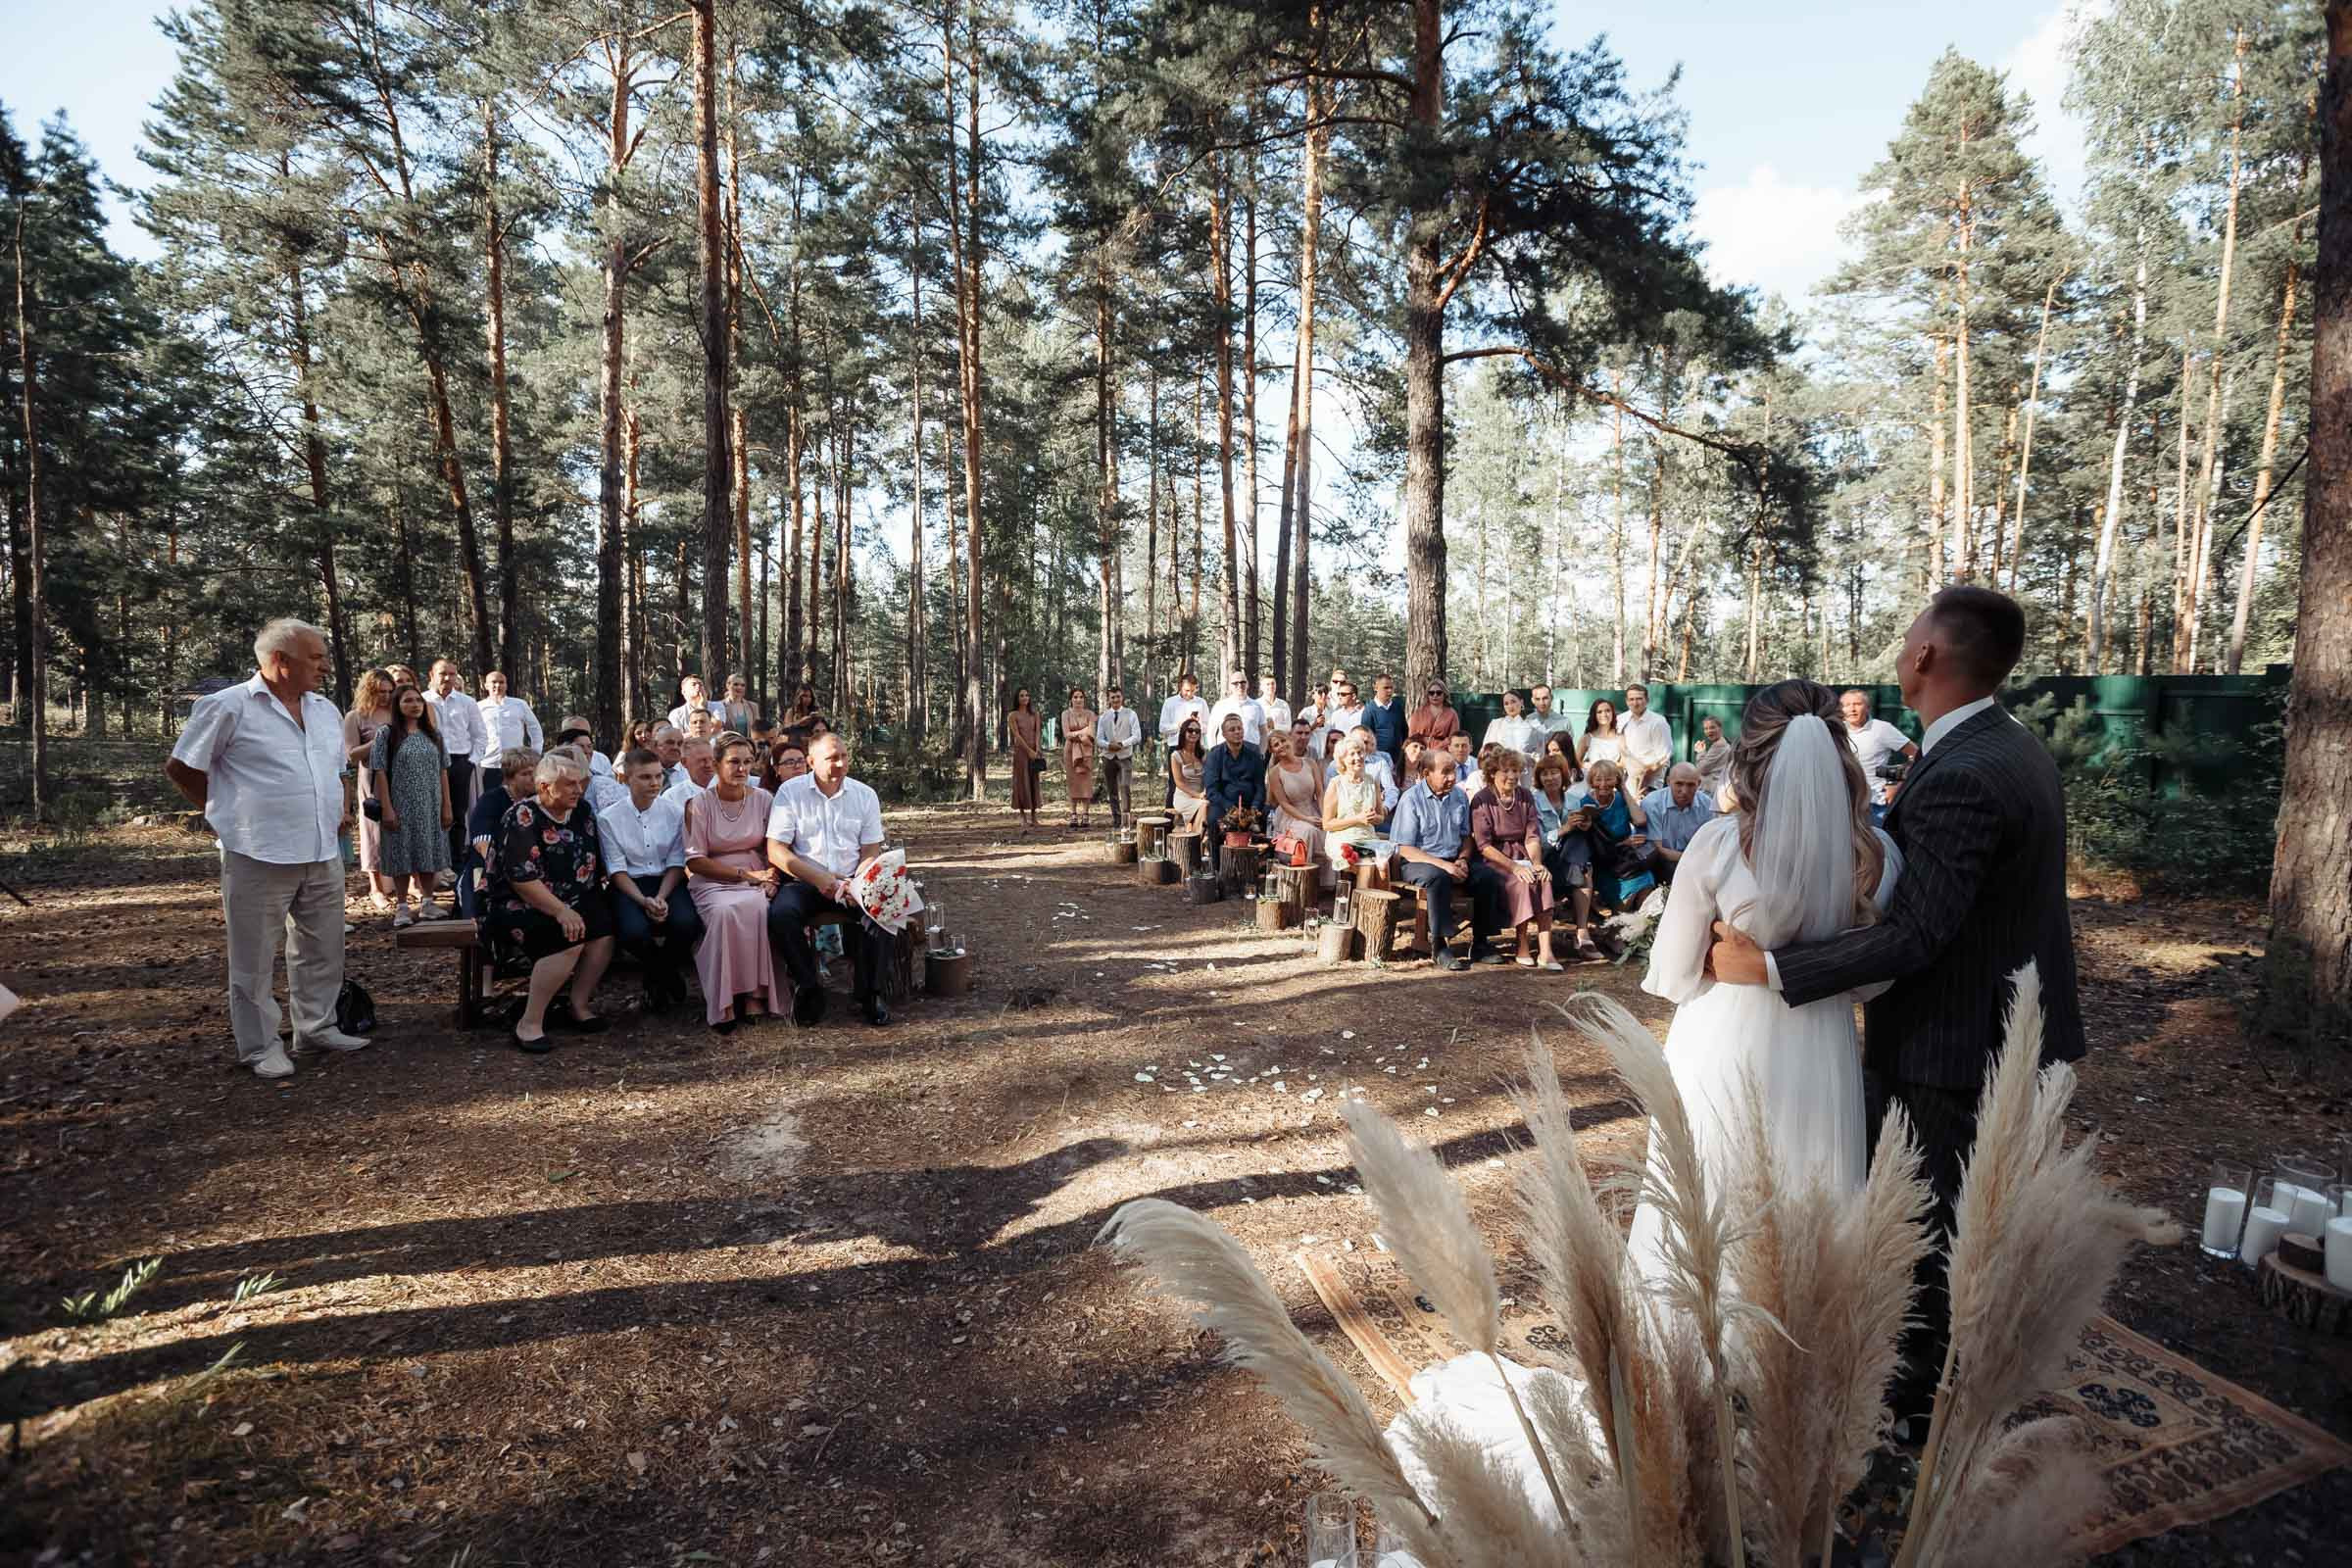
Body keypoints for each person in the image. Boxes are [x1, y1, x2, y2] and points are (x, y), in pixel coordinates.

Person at [1711, 590, 2082, 1437]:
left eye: (1912, 629)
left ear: (1927, 657)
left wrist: (1768, 965)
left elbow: (1918, 936)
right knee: (1951, 1216)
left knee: (1931, 1221)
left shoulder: (1968, 773)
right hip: (1997, 1017)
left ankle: (1909, 1404)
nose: (1901, 639)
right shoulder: (2006, 746)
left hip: (1955, 1039)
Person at [1631, 679, 1903, 1288]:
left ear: (1750, 755)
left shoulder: (1718, 844)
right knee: (1807, 1195)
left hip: (1720, 1042)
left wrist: (1727, 953)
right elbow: (1871, 981)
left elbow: (1673, 975)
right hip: (1822, 1050)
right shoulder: (1877, 853)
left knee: (1706, 1201)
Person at [166, 617, 370, 1078]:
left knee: (322, 946)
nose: (323, 667)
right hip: (257, 851)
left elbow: (336, 768)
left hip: (322, 848)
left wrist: (337, 809)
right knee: (254, 956)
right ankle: (260, 1046)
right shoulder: (227, 706)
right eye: (315, 658)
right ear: (280, 661)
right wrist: (223, 816)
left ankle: (316, 1026)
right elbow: (182, 767)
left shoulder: (324, 709)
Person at [480, 750, 615, 1051]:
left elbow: (592, 863)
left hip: (573, 897)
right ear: (544, 787)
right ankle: (529, 1022)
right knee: (568, 936)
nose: (578, 790)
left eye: (581, 782)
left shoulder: (582, 811)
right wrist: (562, 911)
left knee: (603, 930)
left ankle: (577, 1006)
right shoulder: (522, 816)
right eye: (569, 784)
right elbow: (522, 879)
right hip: (520, 902)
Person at [765, 733, 893, 1028]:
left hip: (852, 879)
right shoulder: (790, 792)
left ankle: (870, 994)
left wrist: (857, 882)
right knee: (781, 915)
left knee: (881, 911)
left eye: (844, 756)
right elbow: (776, 850)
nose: (840, 764)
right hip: (805, 881)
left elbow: (870, 849)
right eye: (831, 758)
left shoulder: (864, 794)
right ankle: (809, 986)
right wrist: (821, 879)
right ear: (810, 762)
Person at [681, 733, 785, 1032]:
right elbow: (695, 860)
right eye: (734, 762)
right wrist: (744, 877)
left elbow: (775, 847)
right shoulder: (698, 804)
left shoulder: (764, 799)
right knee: (725, 913)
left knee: (758, 908)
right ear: (715, 765)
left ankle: (754, 995)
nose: (742, 769)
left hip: (757, 874)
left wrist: (772, 878)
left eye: (748, 762)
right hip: (712, 878)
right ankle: (724, 1001)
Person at [600, 746, 704, 1014]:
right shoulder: (608, 818)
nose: (655, 783)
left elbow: (676, 862)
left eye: (658, 776)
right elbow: (616, 869)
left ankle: (657, 976)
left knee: (686, 923)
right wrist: (643, 901)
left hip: (666, 881)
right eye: (645, 777)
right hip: (629, 886)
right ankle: (664, 973)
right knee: (632, 932)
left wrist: (660, 897)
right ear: (626, 778)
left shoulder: (674, 812)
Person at [1389, 747, 1489, 971]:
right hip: (1418, 862)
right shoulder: (1411, 799)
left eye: (1453, 771)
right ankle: (1440, 946)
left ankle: (1482, 943)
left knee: (1487, 876)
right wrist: (1445, 865)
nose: (1452, 777)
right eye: (1445, 772)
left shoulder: (1460, 796)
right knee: (1438, 878)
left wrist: (1463, 859)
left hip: (1453, 859)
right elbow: (1404, 848)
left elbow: (1466, 836)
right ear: (1426, 774)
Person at [370, 680, 456, 927]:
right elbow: (380, 771)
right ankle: (402, 907)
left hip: (431, 804)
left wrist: (447, 805)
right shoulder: (386, 734)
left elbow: (443, 770)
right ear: (397, 705)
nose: (415, 705)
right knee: (401, 853)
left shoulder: (433, 734)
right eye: (408, 700)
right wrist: (387, 807)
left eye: (418, 700)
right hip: (401, 804)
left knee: (428, 849)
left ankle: (428, 903)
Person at [1470, 746, 1561, 969]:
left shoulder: (1525, 796)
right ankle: (1522, 945)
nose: (1512, 776)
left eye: (1516, 771)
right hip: (1495, 860)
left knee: (1543, 878)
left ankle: (1546, 951)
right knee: (1523, 882)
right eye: (1506, 771)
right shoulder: (1481, 799)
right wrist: (1515, 867)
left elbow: (1532, 836)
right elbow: (1484, 846)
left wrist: (1537, 864)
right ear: (1493, 773)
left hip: (1523, 854)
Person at [1532, 755, 1604, 962]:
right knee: (1583, 865)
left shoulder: (1574, 800)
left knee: (1581, 844)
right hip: (1544, 860)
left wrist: (1584, 824)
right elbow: (1535, 841)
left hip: (1570, 860)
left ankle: (1582, 931)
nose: (1550, 778)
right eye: (1544, 774)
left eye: (1554, 773)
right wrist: (1564, 829)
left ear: (1563, 775)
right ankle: (1582, 934)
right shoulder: (1533, 801)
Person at [344, 668, 397, 912]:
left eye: (390, 691)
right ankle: (376, 887)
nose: (386, 696)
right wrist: (378, 741)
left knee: (402, 828)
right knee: (373, 831)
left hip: (401, 777)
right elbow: (351, 755)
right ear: (369, 690)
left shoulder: (398, 713)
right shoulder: (356, 717)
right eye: (380, 691)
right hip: (372, 779)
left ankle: (408, 882)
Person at [425, 659, 487, 871]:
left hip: (460, 762)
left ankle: (456, 862)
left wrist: (472, 762)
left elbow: (480, 735)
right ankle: (434, 863)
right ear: (431, 675)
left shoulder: (466, 702)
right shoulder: (422, 701)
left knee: (457, 813)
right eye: (443, 673)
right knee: (432, 812)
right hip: (429, 764)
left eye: (452, 674)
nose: (448, 678)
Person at [464, 748, 537, 919]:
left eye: (535, 773)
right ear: (510, 777)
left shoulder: (538, 800)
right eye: (525, 774)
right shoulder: (492, 800)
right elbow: (482, 843)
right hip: (488, 869)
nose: (532, 778)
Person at [1200, 712, 1267, 867]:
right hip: (1224, 805)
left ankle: (1261, 866)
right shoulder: (1215, 754)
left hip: (1250, 805)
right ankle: (1216, 867)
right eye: (1232, 730)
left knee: (1271, 818)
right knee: (1213, 821)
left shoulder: (1254, 752)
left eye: (1240, 728)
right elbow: (1211, 790)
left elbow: (1260, 786)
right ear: (1223, 734)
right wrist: (1231, 810)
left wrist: (1255, 808)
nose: (1237, 732)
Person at [1840, 688, 1920, 814]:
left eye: (1857, 704)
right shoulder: (1837, 731)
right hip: (1844, 803)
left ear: (1867, 708)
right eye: (1847, 705)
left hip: (1875, 805)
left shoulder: (1882, 729)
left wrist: (1898, 785)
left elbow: (1917, 755)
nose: (1852, 709)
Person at [1263, 728, 1326, 875]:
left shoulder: (1310, 763)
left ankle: (1325, 884)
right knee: (1309, 831)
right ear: (1273, 751)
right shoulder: (1275, 772)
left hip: (1313, 809)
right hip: (1290, 816)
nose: (1281, 745)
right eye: (1276, 745)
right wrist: (1306, 819)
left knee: (1328, 831)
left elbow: (1320, 793)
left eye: (1283, 740)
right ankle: (1303, 875)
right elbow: (1283, 803)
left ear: (1290, 740)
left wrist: (1324, 817)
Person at [1639, 762, 1716, 884]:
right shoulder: (1652, 804)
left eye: (1691, 785)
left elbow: (1710, 845)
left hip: (1695, 860)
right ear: (1668, 782)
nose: (1684, 791)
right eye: (1679, 784)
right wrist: (1696, 861)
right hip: (1661, 862)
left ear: (1699, 784)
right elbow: (1660, 850)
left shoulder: (1707, 805)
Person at [1319, 735, 1386, 870]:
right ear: (1342, 759)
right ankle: (1360, 891)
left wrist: (1374, 818)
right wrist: (1358, 819)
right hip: (1343, 839)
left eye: (1360, 752)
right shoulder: (1336, 784)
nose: (1358, 757)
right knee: (1367, 866)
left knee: (1384, 865)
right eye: (1352, 754)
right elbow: (1327, 824)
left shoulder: (1372, 781)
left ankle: (1371, 892)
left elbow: (1381, 818)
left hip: (1367, 837)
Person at [476, 671, 544, 786]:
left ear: (506, 685)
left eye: (501, 682)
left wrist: (536, 753)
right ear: (486, 685)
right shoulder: (478, 707)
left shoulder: (519, 704)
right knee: (492, 798)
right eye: (494, 682)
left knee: (517, 797)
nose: (497, 686)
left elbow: (535, 728)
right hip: (489, 764)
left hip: (515, 763)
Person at [1325, 722, 1399, 818]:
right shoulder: (1335, 765)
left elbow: (1391, 790)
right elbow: (1328, 797)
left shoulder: (1380, 762)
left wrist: (1384, 809)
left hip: (1374, 815)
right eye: (1363, 742)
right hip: (1344, 818)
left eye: (1369, 742)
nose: (1367, 746)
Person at [1094, 686, 1142, 827]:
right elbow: (1098, 739)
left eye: (1118, 696)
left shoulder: (1131, 714)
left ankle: (1126, 818)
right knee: (1112, 789)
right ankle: (1117, 819)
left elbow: (1137, 736)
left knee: (1125, 786)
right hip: (1108, 757)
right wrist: (1109, 745)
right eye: (1113, 697)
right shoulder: (1104, 717)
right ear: (1109, 699)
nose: (1115, 699)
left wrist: (1122, 743)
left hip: (1125, 756)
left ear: (1122, 698)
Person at [1621, 682, 1674, 794]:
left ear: (1647, 700)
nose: (1635, 703)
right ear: (1626, 701)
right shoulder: (1622, 719)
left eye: (1639, 699)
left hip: (1649, 784)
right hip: (1626, 782)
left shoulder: (1658, 722)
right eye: (1631, 699)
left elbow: (1664, 757)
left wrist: (1643, 783)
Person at [1061, 686, 1100, 829]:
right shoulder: (1065, 714)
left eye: (1081, 697)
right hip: (1070, 750)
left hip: (1086, 749)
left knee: (1085, 782)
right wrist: (1083, 731)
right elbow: (1066, 734)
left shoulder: (1090, 714)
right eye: (1075, 697)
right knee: (1073, 782)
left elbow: (1092, 733)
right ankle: (1073, 813)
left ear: (1084, 699)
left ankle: (1085, 814)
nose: (1078, 700)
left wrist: (1078, 733)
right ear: (1071, 699)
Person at [1007, 687, 1044, 829]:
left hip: (1034, 751)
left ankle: (1034, 816)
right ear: (1017, 698)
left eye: (1027, 695)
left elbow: (1038, 732)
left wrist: (1037, 748)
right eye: (1022, 695)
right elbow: (1016, 735)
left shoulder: (1035, 714)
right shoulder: (1012, 715)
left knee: (1034, 780)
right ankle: (1022, 815)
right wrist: (1028, 751)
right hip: (1021, 752)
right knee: (1021, 781)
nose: (1025, 698)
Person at [1480, 689, 1544, 766]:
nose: (1510, 706)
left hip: (1525, 772)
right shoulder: (1496, 724)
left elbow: (1540, 756)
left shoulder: (1535, 726)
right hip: (1500, 771)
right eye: (1506, 703)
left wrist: (1523, 757)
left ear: (1521, 702)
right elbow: (1486, 750)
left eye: (1513, 701)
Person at [1206, 670, 1267, 749]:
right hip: (1225, 755)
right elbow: (1211, 732)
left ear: (1247, 684)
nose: (1240, 685)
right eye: (1235, 683)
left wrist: (1261, 753)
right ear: (1230, 686)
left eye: (1243, 682)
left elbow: (1264, 733)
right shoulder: (1220, 706)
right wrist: (1214, 753)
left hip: (1251, 754)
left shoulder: (1257, 706)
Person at [1168, 715, 1209, 832]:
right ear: (1183, 732)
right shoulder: (1176, 755)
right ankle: (1197, 838)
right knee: (1205, 805)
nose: (1194, 733)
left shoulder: (1203, 754)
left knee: (1209, 805)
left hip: (1202, 795)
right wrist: (1198, 795)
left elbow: (1208, 776)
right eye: (1190, 730)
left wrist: (1205, 791)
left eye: (1197, 731)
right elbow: (1179, 782)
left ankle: (1196, 834)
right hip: (1184, 797)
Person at [1362, 673, 1408, 770]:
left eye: (1391, 688)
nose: (1389, 691)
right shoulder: (1369, 710)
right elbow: (1366, 737)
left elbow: (1404, 731)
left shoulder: (1397, 707)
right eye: (1386, 688)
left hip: (1398, 759)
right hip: (1378, 760)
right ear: (1376, 687)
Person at [1577, 697, 1626, 778]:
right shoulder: (1587, 738)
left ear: (1612, 713)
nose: (1604, 714)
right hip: (1592, 780)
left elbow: (1624, 763)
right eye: (1599, 712)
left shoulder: (1621, 738)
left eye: (1607, 711)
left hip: (1612, 780)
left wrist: (1605, 767)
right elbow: (1576, 761)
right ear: (1594, 715)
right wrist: (1587, 765)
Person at [1692, 713, 1734, 806]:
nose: (1709, 731)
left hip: (1711, 792)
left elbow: (1701, 769)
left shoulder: (1719, 745)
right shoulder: (1720, 743)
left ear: (1720, 728)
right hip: (1715, 790)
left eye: (1712, 727)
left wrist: (1700, 752)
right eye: (1706, 728)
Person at [663, 737, 717, 806]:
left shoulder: (729, 790)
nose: (708, 765)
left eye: (711, 759)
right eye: (702, 760)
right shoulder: (672, 797)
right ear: (684, 762)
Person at [1409, 681, 1460, 749]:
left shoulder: (1452, 714)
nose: (1435, 695)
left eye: (1438, 693)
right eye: (1431, 693)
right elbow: (1412, 736)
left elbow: (1454, 737)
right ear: (1428, 695)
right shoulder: (1419, 712)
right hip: (1421, 750)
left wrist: (1439, 746)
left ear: (1444, 694)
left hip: (1443, 751)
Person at [652, 724, 688, 788]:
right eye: (670, 743)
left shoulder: (691, 774)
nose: (675, 747)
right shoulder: (643, 771)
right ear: (655, 747)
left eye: (679, 744)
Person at [1449, 733, 1482, 797]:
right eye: (1456, 746)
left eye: (1464, 746)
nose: (1460, 749)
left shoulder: (1479, 765)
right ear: (1449, 748)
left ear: (1471, 748)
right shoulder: (1445, 765)